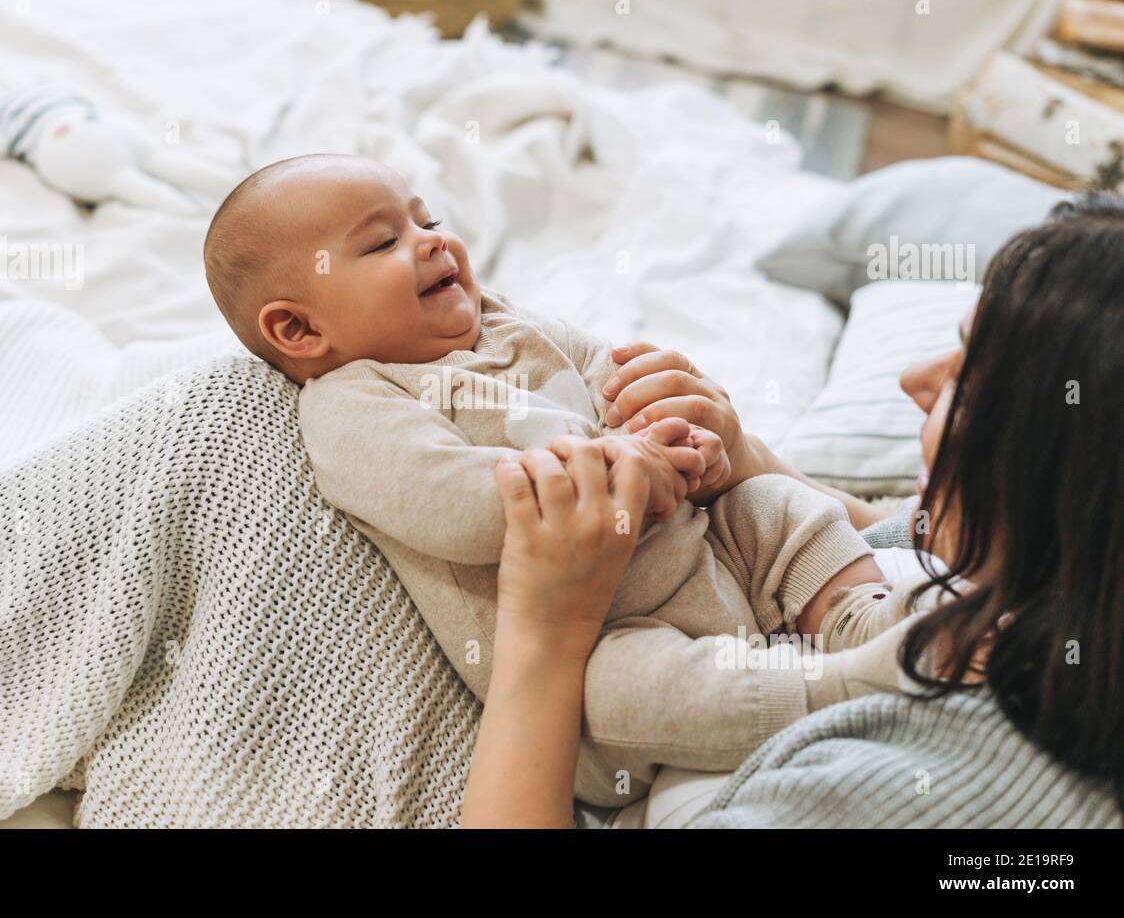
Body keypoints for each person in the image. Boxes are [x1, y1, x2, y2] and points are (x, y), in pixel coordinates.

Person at [204, 153, 916, 806]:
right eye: (383, 243)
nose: (432, 242)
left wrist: (677, 430)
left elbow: (612, 379)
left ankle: (860, 614)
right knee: (620, 691)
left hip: (701, 549)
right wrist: (620, 467)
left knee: (768, 502)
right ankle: (840, 688)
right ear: (299, 331)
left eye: (428, 220)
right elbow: (459, 508)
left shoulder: (506, 321)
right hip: (602, 640)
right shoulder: (355, 404)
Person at [462, 195, 1124, 828]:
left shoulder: (900, 784)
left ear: (1069, 484)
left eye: (969, 388)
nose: (915, 380)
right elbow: (899, 531)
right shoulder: (1068, 596)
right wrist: (748, 461)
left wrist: (544, 626)